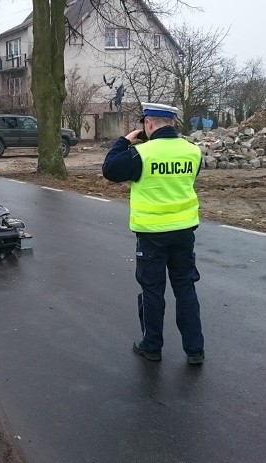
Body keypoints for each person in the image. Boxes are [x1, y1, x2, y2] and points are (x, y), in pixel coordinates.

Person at [102, 103, 205, 365]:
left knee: (152, 291)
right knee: (185, 289)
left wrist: (123, 141)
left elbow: (110, 169)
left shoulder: (141, 154)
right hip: (184, 232)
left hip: (152, 235)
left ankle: (152, 346)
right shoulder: (193, 152)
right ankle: (195, 350)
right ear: (172, 124)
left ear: (148, 124)